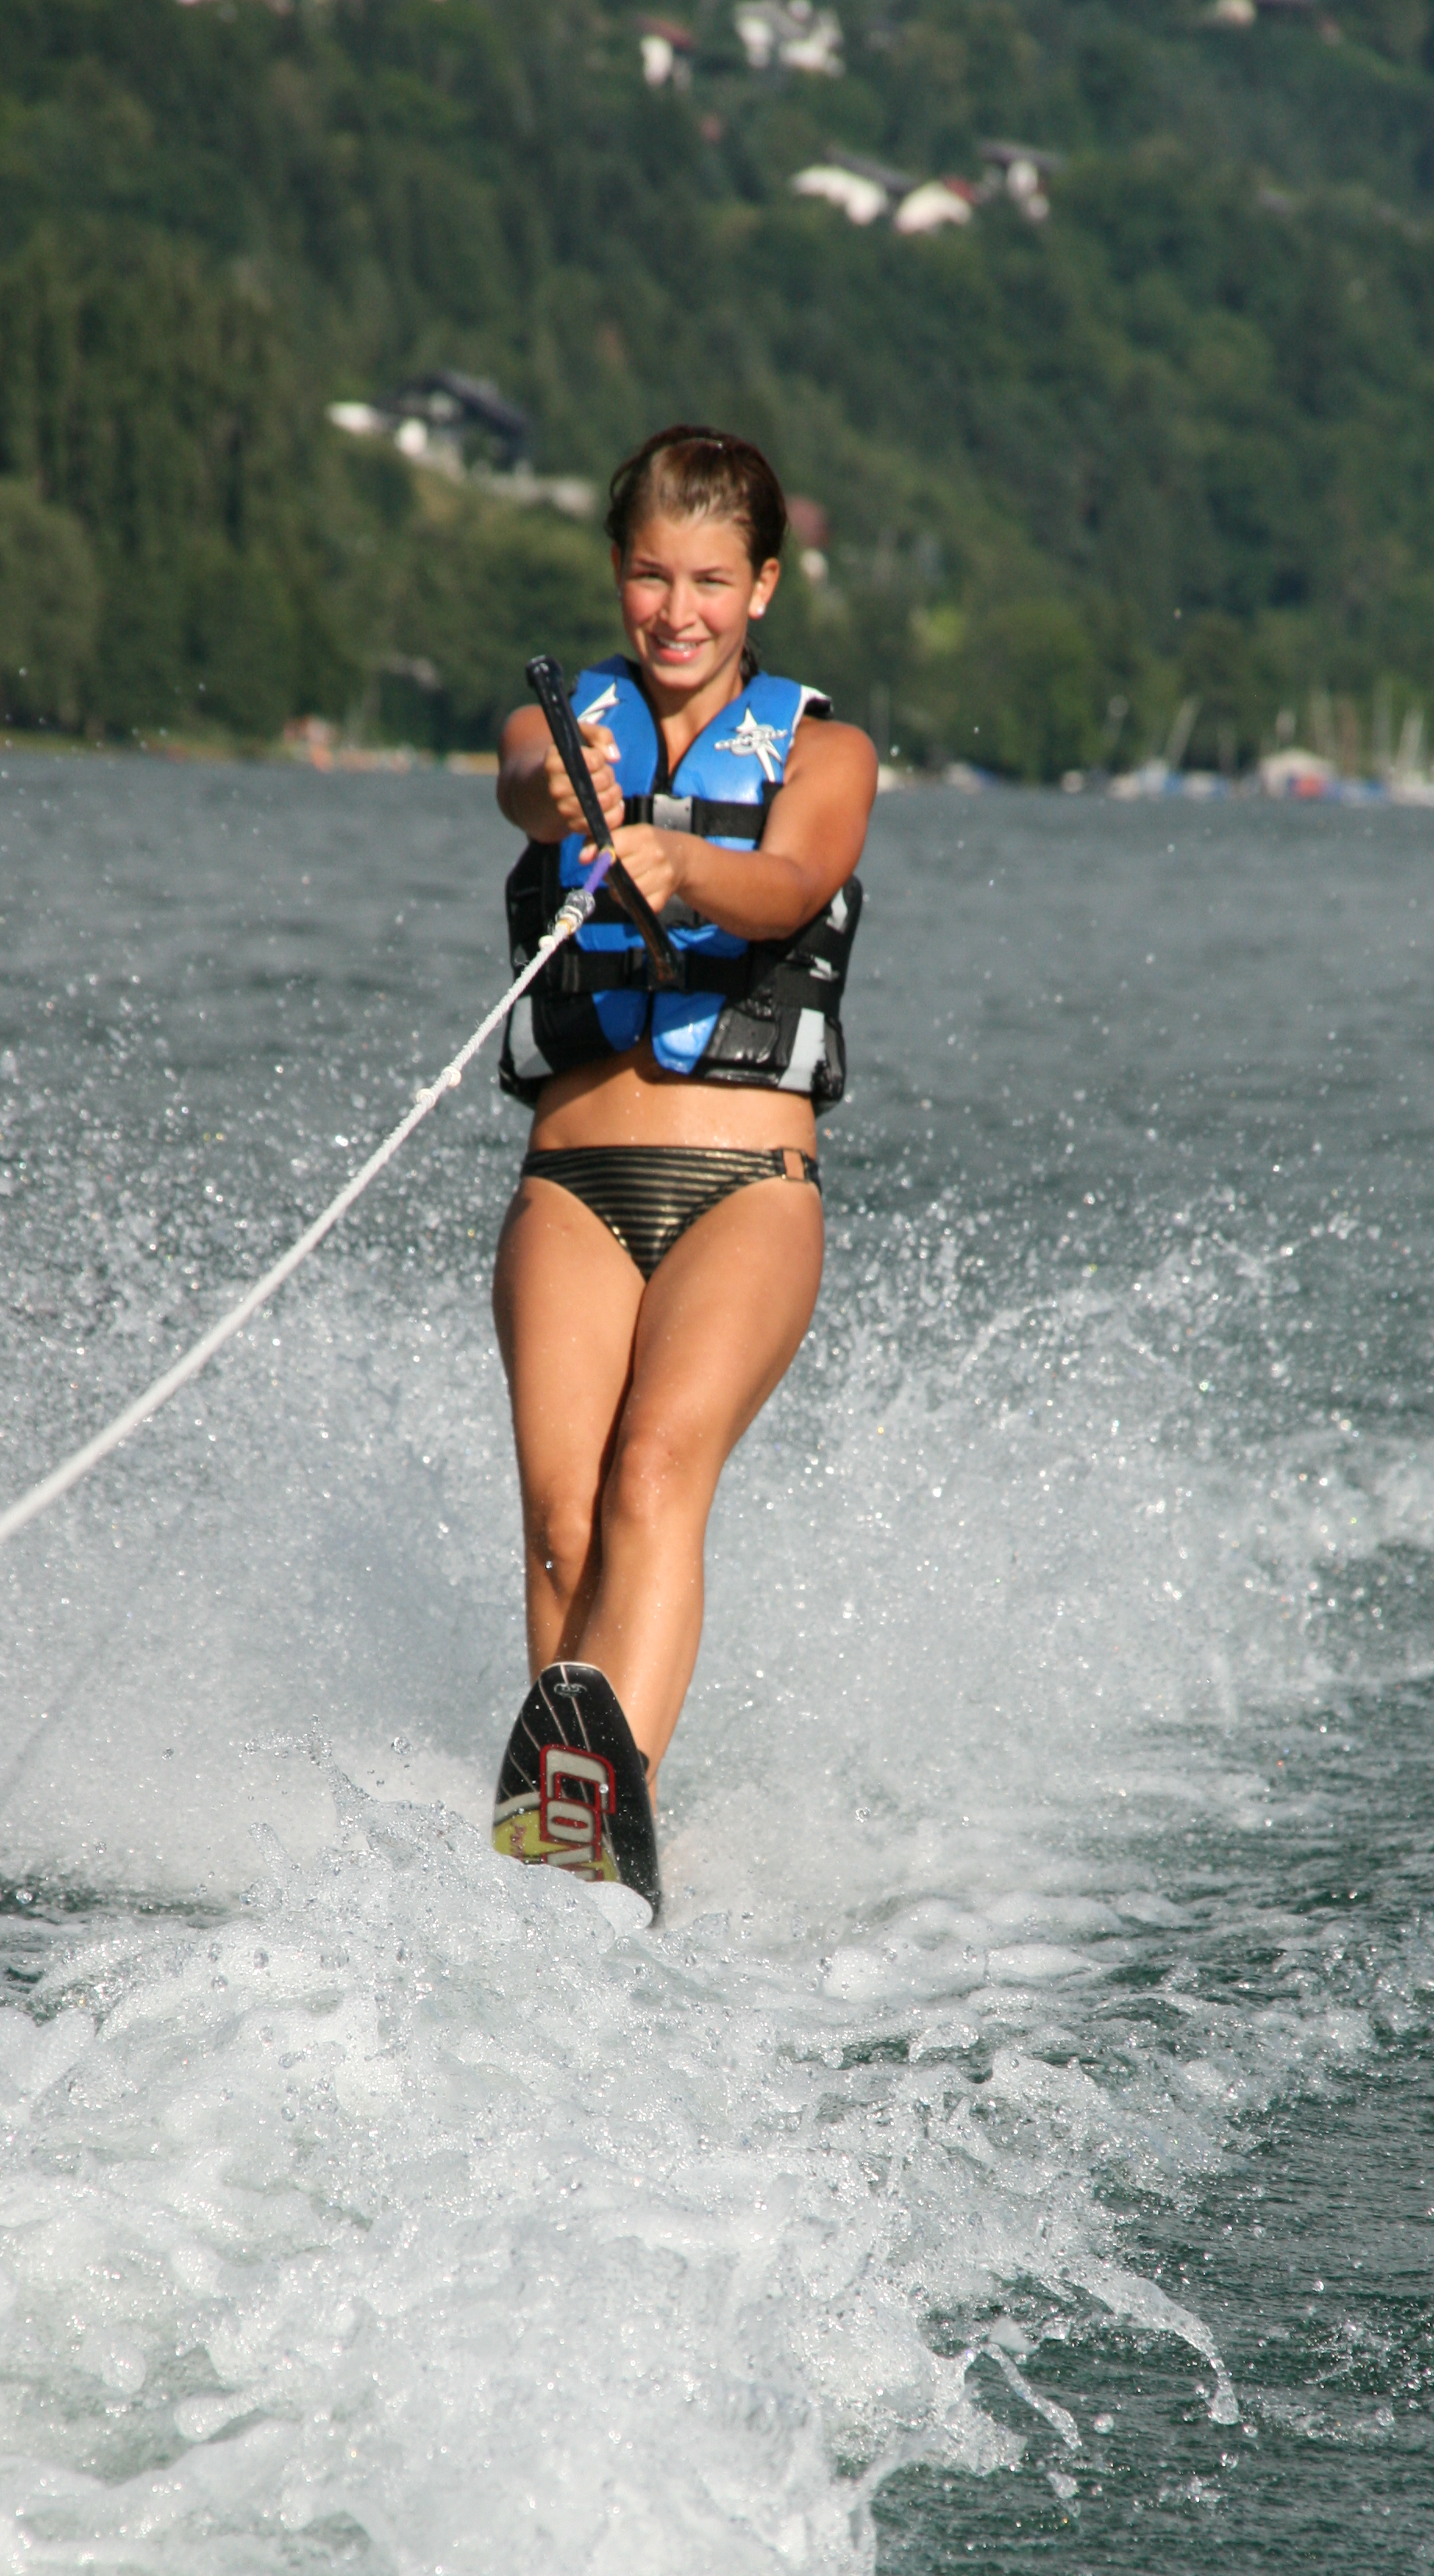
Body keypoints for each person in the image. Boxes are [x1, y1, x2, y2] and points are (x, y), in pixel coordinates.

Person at [493, 424, 877, 1792]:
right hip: (572, 1188)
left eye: (711, 582)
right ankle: (560, 1813)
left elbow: (787, 885)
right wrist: (574, 793)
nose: (678, 611)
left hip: (747, 1193)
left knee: (655, 1470)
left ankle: (610, 1798)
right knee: (564, 1522)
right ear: (618, 574)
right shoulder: (554, 727)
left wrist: (683, 868)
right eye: (652, 577)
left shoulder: (828, 756)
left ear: (762, 588)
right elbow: (529, 792)